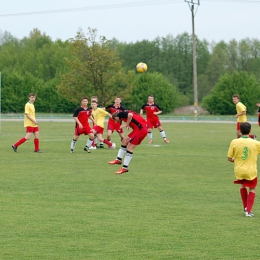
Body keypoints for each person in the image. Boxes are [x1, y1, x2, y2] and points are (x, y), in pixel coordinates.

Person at [227, 122, 260, 217]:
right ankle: (249, 211)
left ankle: (245, 207)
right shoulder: (256, 143)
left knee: (242, 186)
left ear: (240, 131)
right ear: (250, 131)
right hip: (251, 171)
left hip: (239, 170)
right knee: (252, 188)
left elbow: (229, 158)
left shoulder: (234, 142)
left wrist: (234, 159)